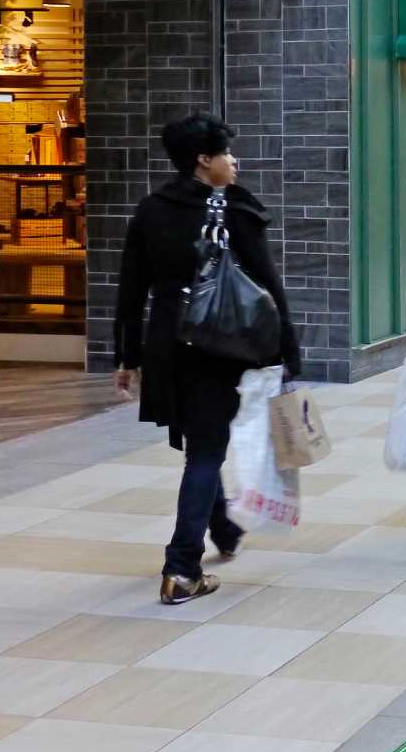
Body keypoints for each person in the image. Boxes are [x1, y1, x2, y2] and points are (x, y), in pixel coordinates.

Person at [114, 114, 299, 606]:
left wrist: (127, 356)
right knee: (205, 451)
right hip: (221, 346)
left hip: (167, 345)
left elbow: (131, 289)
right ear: (203, 160)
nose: (233, 162)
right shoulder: (235, 210)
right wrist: (289, 346)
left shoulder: (152, 210)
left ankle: (223, 528)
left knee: (201, 437)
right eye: (226, 153)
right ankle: (181, 567)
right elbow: (267, 281)